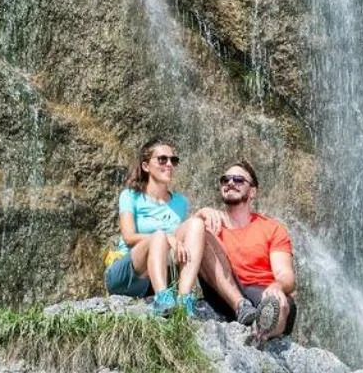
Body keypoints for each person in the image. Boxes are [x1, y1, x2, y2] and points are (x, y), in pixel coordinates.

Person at [104, 137, 208, 318]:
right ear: (146, 166)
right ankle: (162, 300)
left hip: (161, 273)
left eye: (173, 160)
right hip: (126, 275)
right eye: (162, 159)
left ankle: (184, 300)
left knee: (196, 224)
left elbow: (181, 245)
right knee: (159, 235)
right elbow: (128, 237)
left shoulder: (180, 202)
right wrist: (167, 237)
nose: (169, 164)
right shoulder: (130, 196)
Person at [197, 159, 296, 343]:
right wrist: (198, 216)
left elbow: (285, 274)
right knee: (198, 233)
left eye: (238, 180)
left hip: (262, 293)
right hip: (224, 293)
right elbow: (180, 245)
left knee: (280, 303)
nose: (231, 183)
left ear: (252, 192)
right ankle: (243, 310)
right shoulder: (209, 224)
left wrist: (278, 286)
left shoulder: (273, 228)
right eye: (225, 180)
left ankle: (261, 330)